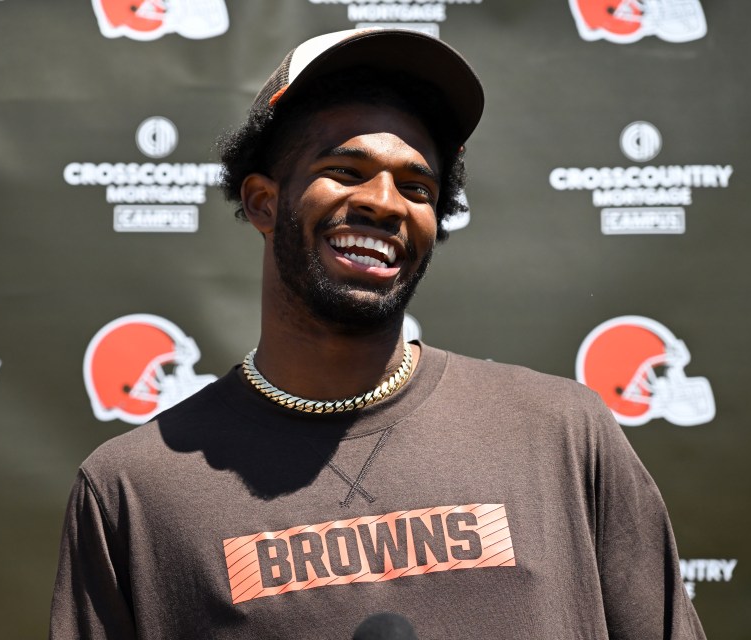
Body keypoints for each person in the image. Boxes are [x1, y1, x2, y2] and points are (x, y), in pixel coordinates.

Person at [50, 28, 706, 639]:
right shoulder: (133, 489)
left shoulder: (563, 433)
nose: (385, 203)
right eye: (346, 171)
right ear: (263, 202)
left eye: (417, 187)